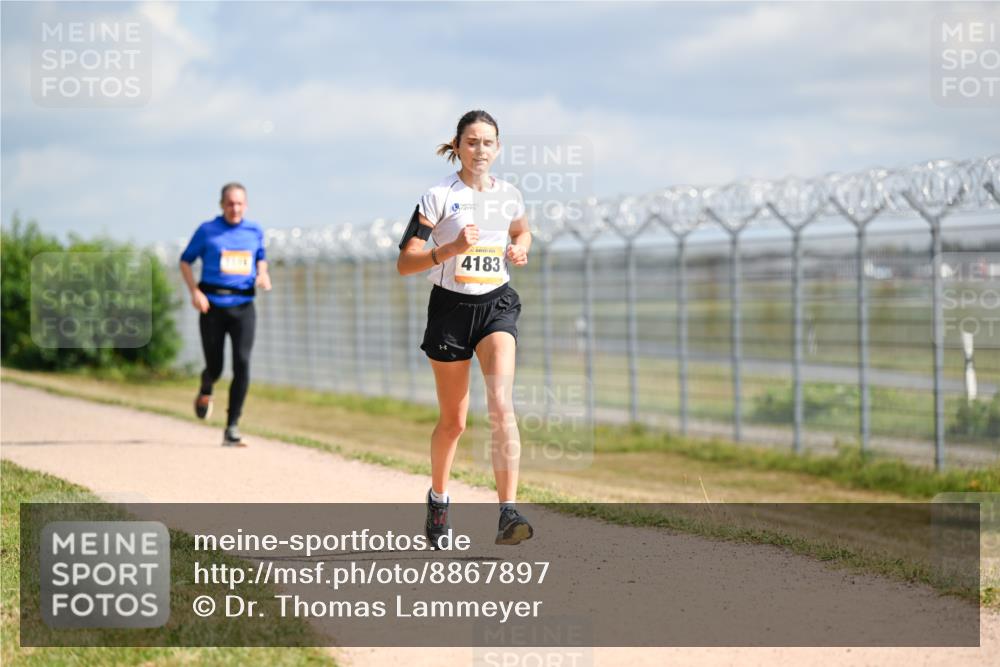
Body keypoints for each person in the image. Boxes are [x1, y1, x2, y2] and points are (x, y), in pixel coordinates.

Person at [397, 110, 533, 546]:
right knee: (454, 421)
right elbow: (405, 262)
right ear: (456, 146)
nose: (480, 150)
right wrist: (450, 249)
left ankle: (508, 513)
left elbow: (523, 230)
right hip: (451, 310)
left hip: (497, 305)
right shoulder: (438, 196)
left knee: (500, 404)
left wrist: (519, 248)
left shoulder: (509, 194)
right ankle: (438, 498)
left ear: (498, 148)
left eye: (488, 142)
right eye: (471, 142)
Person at [179, 183, 271, 447]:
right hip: (212, 307)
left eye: (240, 203)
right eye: (230, 203)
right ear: (221, 205)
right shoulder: (207, 231)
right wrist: (195, 292)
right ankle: (207, 385)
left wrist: (262, 273)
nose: (235, 208)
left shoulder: (254, 230)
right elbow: (185, 260)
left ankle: (232, 426)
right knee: (216, 367)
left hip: (243, 306)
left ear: (246, 205)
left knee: (242, 363)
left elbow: (260, 257)